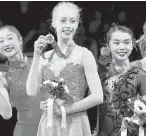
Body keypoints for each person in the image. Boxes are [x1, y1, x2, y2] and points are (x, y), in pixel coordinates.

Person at [26, 2, 103, 136]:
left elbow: (98, 96)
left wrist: (65, 109)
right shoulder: (44, 57)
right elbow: (31, 91)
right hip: (49, 126)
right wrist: (36, 56)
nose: (68, 25)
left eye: (72, 21)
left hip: (76, 124)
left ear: (77, 24)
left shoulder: (84, 54)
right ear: (54, 23)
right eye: (63, 20)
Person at [94, 24, 146, 136]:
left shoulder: (139, 74)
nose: (122, 47)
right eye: (116, 43)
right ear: (108, 45)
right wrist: (101, 72)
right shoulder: (99, 74)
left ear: (132, 45)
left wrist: (140, 132)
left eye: (126, 42)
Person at [0, 25, 42, 136]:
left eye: (10, 38)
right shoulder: (1, 76)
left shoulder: (39, 62)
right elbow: (6, 114)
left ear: (20, 40)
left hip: (50, 127)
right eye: (1, 41)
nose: (6, 43)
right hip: (25, 131)